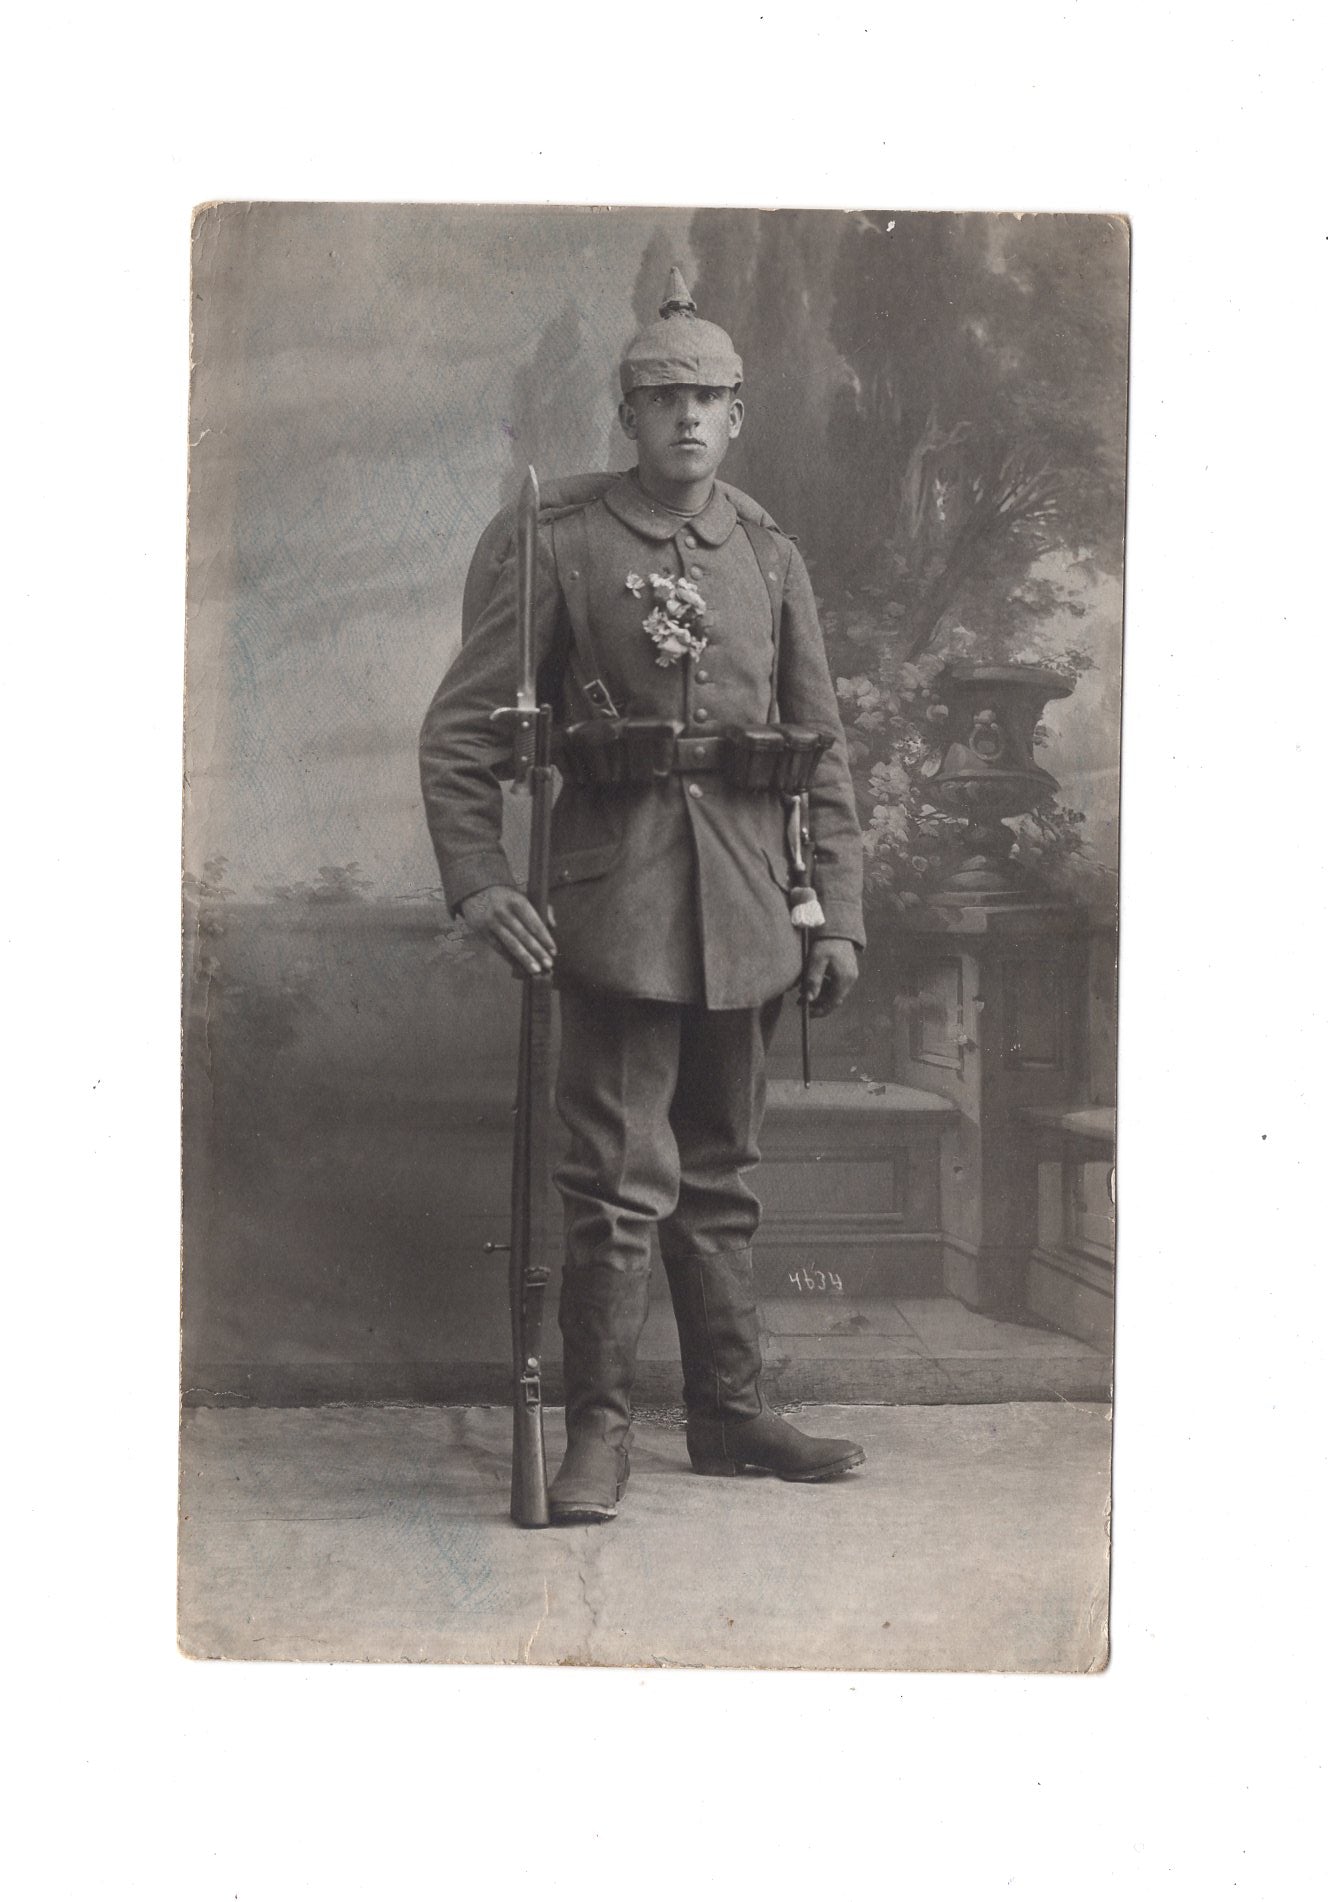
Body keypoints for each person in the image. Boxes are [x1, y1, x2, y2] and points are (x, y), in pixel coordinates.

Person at [420, 270, 867, 1524]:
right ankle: (599, 1431)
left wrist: (836, 909)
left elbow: (819, 748)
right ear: (626, 416)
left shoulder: (769, 556)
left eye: (707, 399)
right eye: (662, 399)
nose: (685, 418)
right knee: (618, 1183)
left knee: (720, 1175)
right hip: (615, 906)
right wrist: (479, 881)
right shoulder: (561, 544)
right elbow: (461, 733)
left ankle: (727, 1414)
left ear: (738, 417)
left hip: (750, 906)